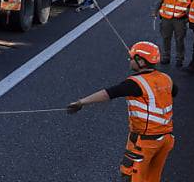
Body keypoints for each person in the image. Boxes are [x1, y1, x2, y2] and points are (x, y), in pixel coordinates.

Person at [67, 41, 176, 182]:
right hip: (166, 139)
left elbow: (109, 93)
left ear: (141, 62)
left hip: (145, 141)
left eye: (132, 58)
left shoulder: (135, 83)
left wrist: (81, 102)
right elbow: (173, 91)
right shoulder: (166, 79)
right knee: (152, 177)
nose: (129, 61)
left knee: (131, 175)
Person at [155, 0, 192, 66]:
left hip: (180, 20)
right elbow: (160, 0)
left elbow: (191, 7)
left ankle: (179, 59)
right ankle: (166, 57)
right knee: (166, 38)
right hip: (166, 19)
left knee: (179, 40)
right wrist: (155, 11)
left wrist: (187, 19)